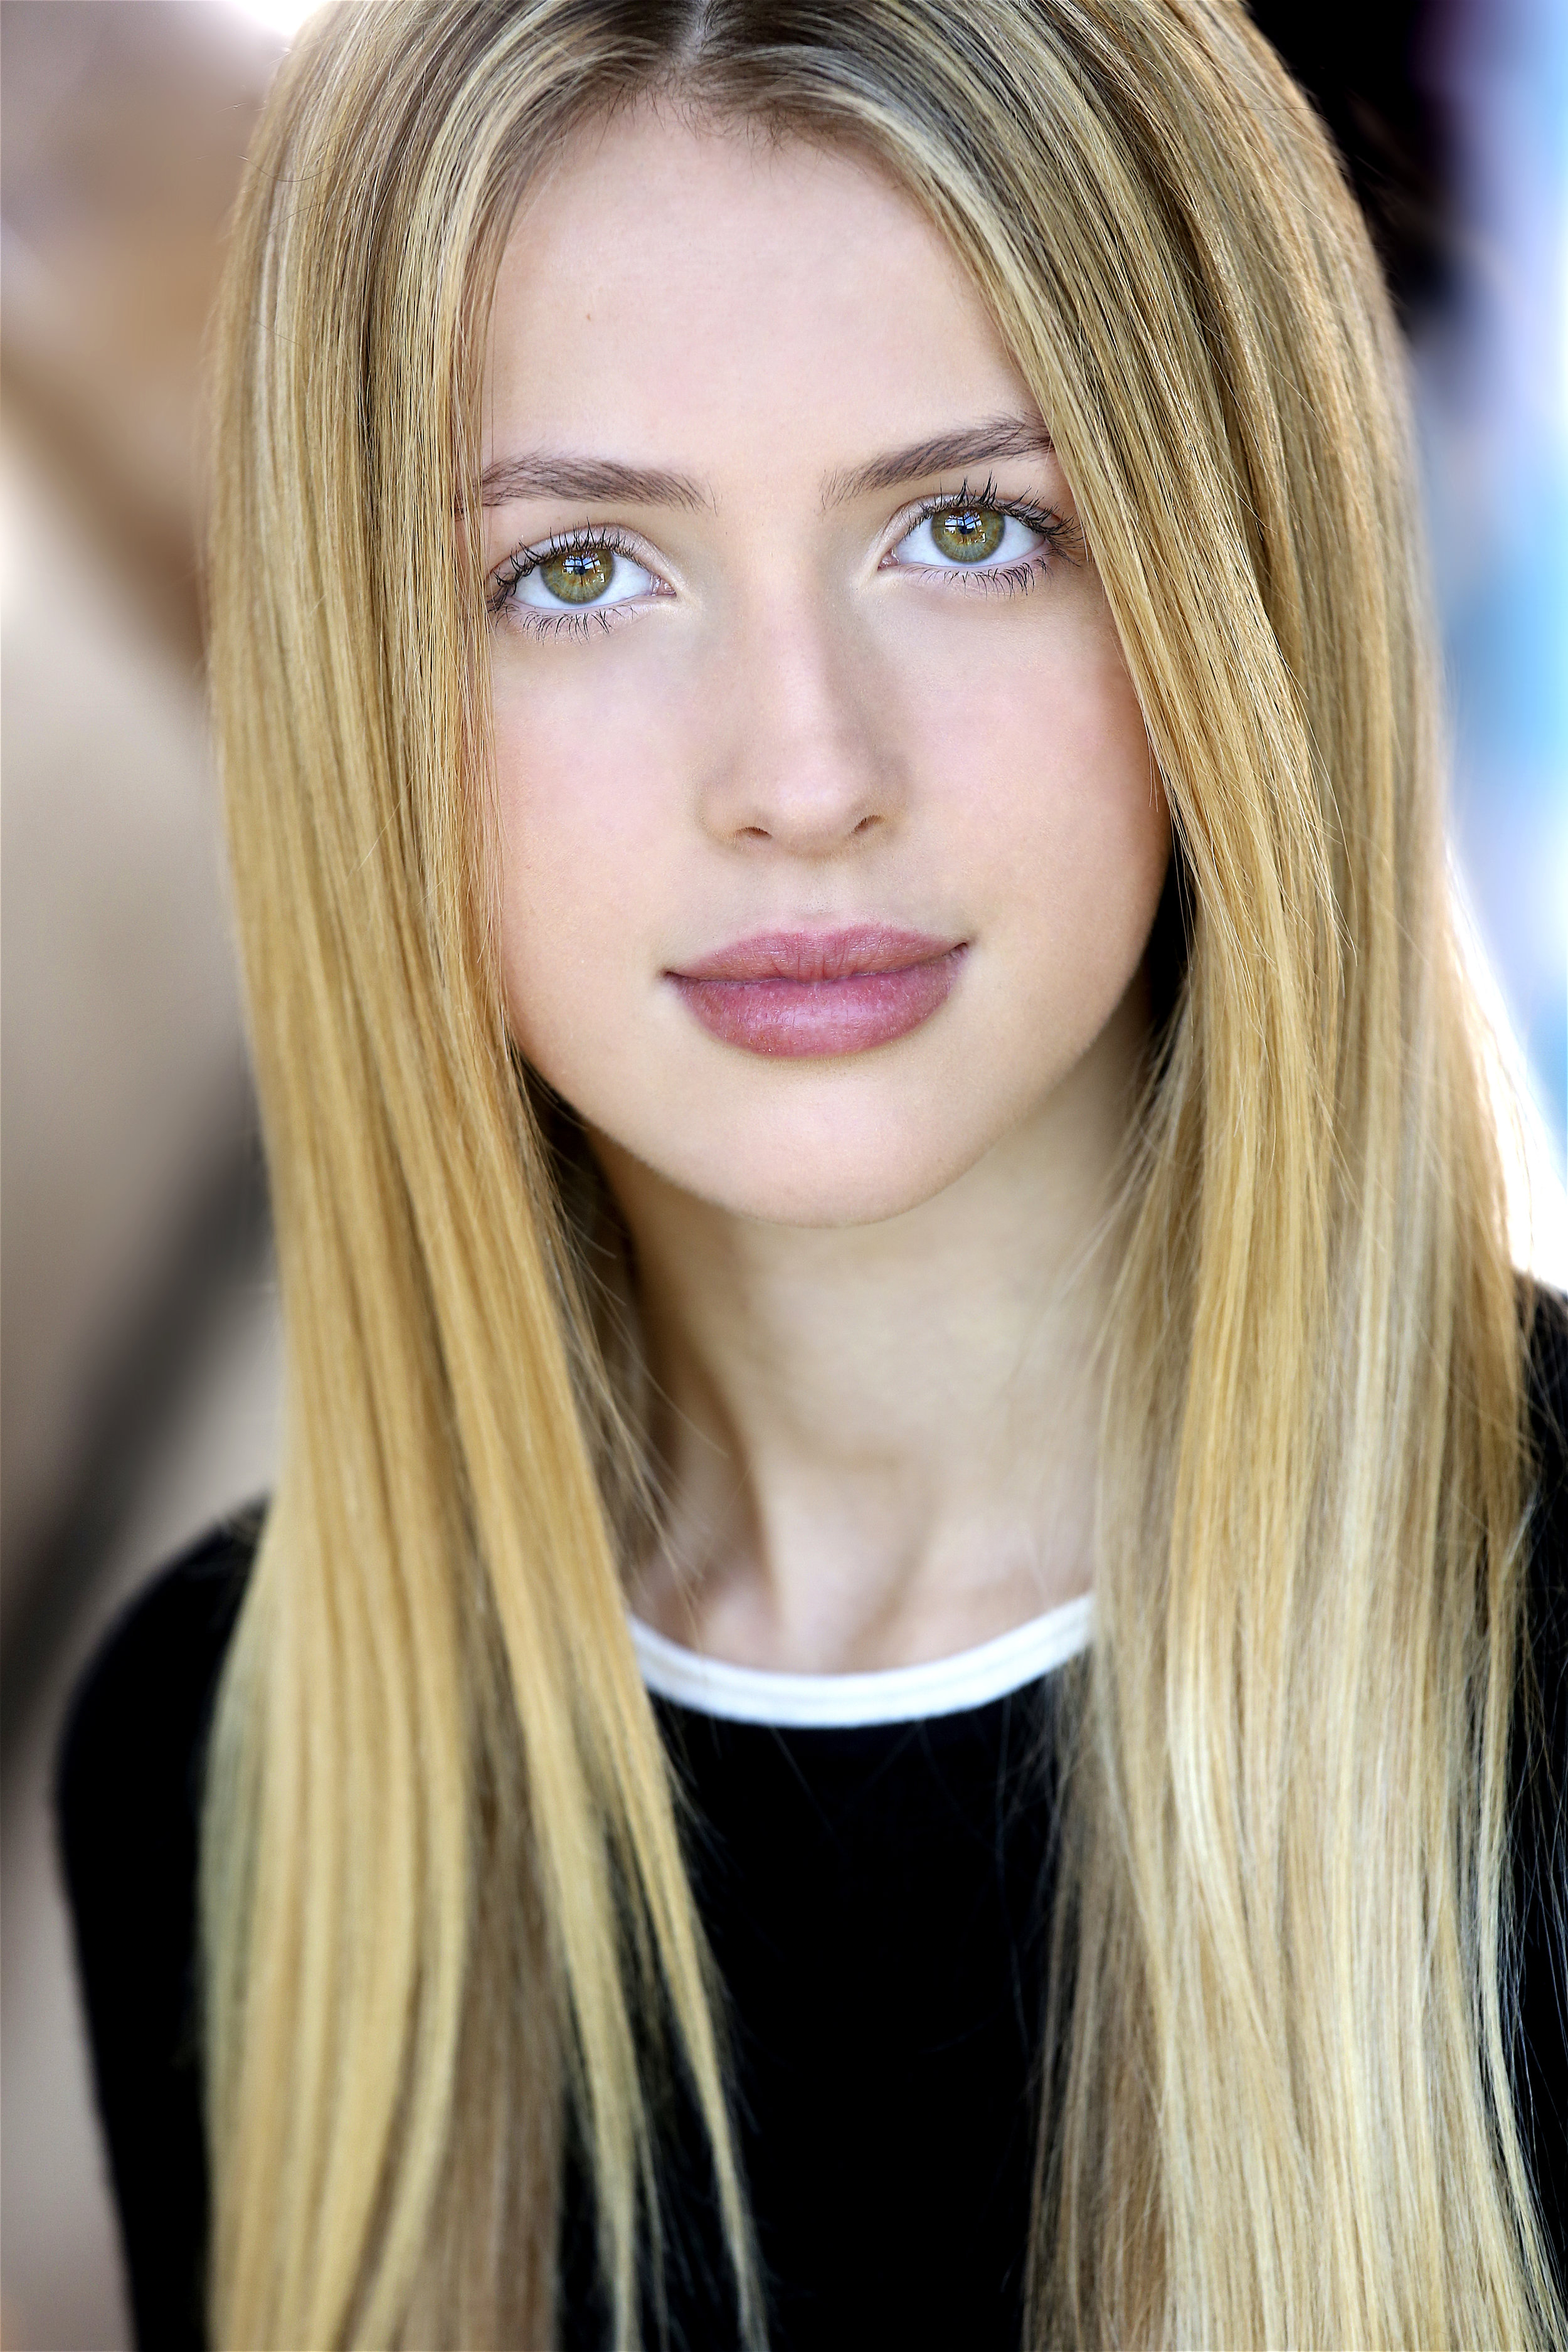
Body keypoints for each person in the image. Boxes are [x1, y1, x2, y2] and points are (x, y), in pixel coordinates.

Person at [56, 1, 1568, 2346]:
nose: (800, 772)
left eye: (973, 531)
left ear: (1227, 579)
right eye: (577, 572)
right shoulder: (221, 1765)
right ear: (368, 680)